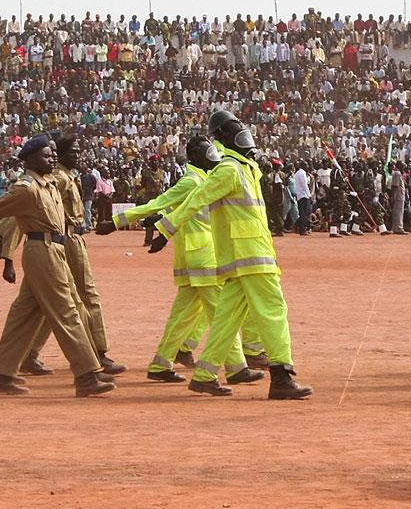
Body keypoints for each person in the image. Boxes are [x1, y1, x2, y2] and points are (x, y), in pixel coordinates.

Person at [0, 135, 114, 397]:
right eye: (45, 155)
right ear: (29, 160)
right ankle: (87, 375)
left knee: (25, 315)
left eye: (53, 154)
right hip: (42, 252)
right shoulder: (26, 188)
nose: (52, 158)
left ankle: (1, 374)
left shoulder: (49, 184)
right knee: (67, 312)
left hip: (56, 251)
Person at [154, 110, 312, 399]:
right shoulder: (229, 170)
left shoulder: (245, 168)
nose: (244, 134)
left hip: (247, 257)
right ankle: (281, 376)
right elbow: (195, 200)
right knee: (273, 311)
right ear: (224, 138)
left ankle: (204, 374)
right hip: (250, 257)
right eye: (235, 129)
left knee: (226, 320)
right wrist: (166, 229)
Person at [97, 135, 263, 389]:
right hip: (204, 260)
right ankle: (236, 367)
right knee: (222, 315)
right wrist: (119, 221)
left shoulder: (208, 178)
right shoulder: (191, 181)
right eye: (208, 153)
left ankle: (161, 364)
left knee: (182, 318)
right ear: (196, 157)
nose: (213, 156)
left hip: (196, 258)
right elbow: (159, 203)